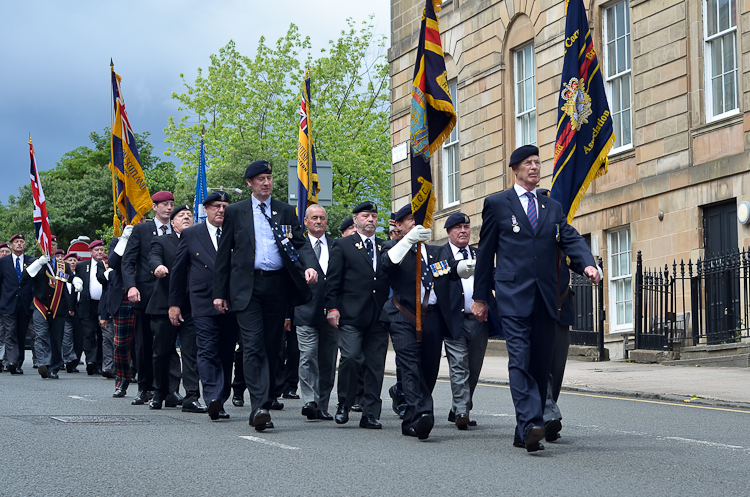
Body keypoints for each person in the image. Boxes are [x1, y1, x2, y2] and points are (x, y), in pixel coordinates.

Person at [472, 144, 600, 453]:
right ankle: (531, 424)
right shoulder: (497, 204)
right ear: (515, 169)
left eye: (537, 162)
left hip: (546, 298)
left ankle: (522, 430)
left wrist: (587, 263)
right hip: (512, 297)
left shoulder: (551, 207)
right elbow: (486, 252)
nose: (534, 167)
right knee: (520, 360)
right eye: (528, 163)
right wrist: (480, 298)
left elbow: (568, 236)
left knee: (541, 364)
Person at [213, 160, 318, 432]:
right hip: (247, 288)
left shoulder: (285, 211)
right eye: (260, 178)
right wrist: (220, 293)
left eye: (269, 177)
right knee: (252, 345)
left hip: (277, 287)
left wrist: (309, 265)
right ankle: (259, 406)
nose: (266, 182)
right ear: (250, 183)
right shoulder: (236, 212)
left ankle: (264, 399)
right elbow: (224, 254)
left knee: (272, 347)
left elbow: (300, 243)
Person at [380, 205, 475, 440]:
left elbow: (449, 269)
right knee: (410, 366)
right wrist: (408, 240)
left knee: (430, 368)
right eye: (410, 220)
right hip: (403, 316)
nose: (415, 223)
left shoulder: (433, 251)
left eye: (418, 220)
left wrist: (462, 268)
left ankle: (412, 417)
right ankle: (423, 414)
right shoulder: (393, 247)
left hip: (432, 317)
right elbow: (388, 263)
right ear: (399, 226)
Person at [170, 192, 237, 418]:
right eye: (216, 206)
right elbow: (178, 273)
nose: (221, 210)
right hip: (202, 303)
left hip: (231, 302)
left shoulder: (236, 231)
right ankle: (212, 398)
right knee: (207, 351)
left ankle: (221, 395)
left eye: (225, 206)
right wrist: (175, 304)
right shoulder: (191, 234)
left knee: (226, 353)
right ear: (206, 209)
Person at [325, 201, 390, 429]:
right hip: (351, 314)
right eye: (365, 216)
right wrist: (332, 309)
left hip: (378, 316)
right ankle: (344, 403)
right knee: (351, 358)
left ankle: (370, 413)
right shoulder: (342, 245)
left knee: (375, 366)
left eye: (373, 215)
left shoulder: (385, 246)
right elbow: (332, 281)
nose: (370, 219)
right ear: (355, 220)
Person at [122, 190, 182, 405]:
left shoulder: (178, 231)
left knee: (169, 344)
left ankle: (170, 389)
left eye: (171, 204)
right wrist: (131, 286)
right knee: (145, 343)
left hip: (169, 295)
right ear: (154, 207)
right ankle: (145, 387)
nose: (168, 208)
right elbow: (127, 261)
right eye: (164, 204)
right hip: (146, 294)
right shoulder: (141, 230)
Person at [147, 204, 201, 411]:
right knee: (162, 352)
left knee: (190, 353)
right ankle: (160, 392)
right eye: (182, 215)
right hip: (164, 306)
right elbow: (153, 257)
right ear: (173, 222)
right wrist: (157, 267)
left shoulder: (199, 242)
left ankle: (192, 397)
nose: (187, 218)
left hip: (191, 307)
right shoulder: (161, 240)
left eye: (190, 215)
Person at [441, 212, 489, 430]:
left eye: (466, 227)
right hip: (453, 320)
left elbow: (491, 278)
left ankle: (460, 407)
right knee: (459, 365)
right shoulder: (440, 255)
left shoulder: (480, 254)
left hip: (479, 320)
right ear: (449, 232)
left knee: (474, 367)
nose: (463, 231)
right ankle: (462, 411)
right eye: (458, 227)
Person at [295, 204, 338, 421]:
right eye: (314, 218)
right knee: (308, 356)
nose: (318, 221)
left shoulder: (335, 245)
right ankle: (309, 400)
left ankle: (322, 405)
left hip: (331, 313)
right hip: (305, 311)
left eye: (322, 218)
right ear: (306, 221)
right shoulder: (298, 246)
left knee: (328, 360)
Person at [23, 251, 79, 379]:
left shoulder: (62, 265)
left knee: (56, 338)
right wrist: (38, 264)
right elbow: (25, 276)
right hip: (40, 304)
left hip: (59, 306)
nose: (51, 247)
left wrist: (76, 280)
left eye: (54, 245)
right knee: (41, 334)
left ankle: (54, 367)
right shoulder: (35, 262)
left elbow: (69, 276)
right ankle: (43, 363)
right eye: (49, 244)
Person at [99, 226, 135, 398]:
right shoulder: (117, 241)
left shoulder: (149, 236)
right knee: (120, 345)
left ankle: (148, 385)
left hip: (144, 296)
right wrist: (125, 238)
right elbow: (113, 263)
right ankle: (121, 382)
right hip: (122, 299)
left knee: (144, 346)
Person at [0, 234, 36, 374]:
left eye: (22, 242)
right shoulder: (3, 262)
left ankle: (18, 362)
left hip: (25, 302)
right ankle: (11, 362)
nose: (19, 244)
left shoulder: (31, 261)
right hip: (8, 303)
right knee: (10, 332)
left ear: (25, 245)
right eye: (16, 242)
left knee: (21, 333)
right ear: (11, 245)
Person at [76, 240, 109, 376]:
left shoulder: (107, 265)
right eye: (96, 250)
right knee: (89, 334)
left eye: (101, 250)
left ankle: (101, 363)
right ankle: (90, 361)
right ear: (90, 252)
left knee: (103, 335)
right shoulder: (82, 266)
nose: (99, 252)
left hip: (103, 305)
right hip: (87, 305)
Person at [62, 253, 83, 373]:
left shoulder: (80, 277)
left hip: (79, 312)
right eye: (70, 260)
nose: (73, 262)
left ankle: (74, 361)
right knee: (67, 336)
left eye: (75, 260)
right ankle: (68, 359)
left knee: (79, 338)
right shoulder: (63, 276)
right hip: (65, 312)